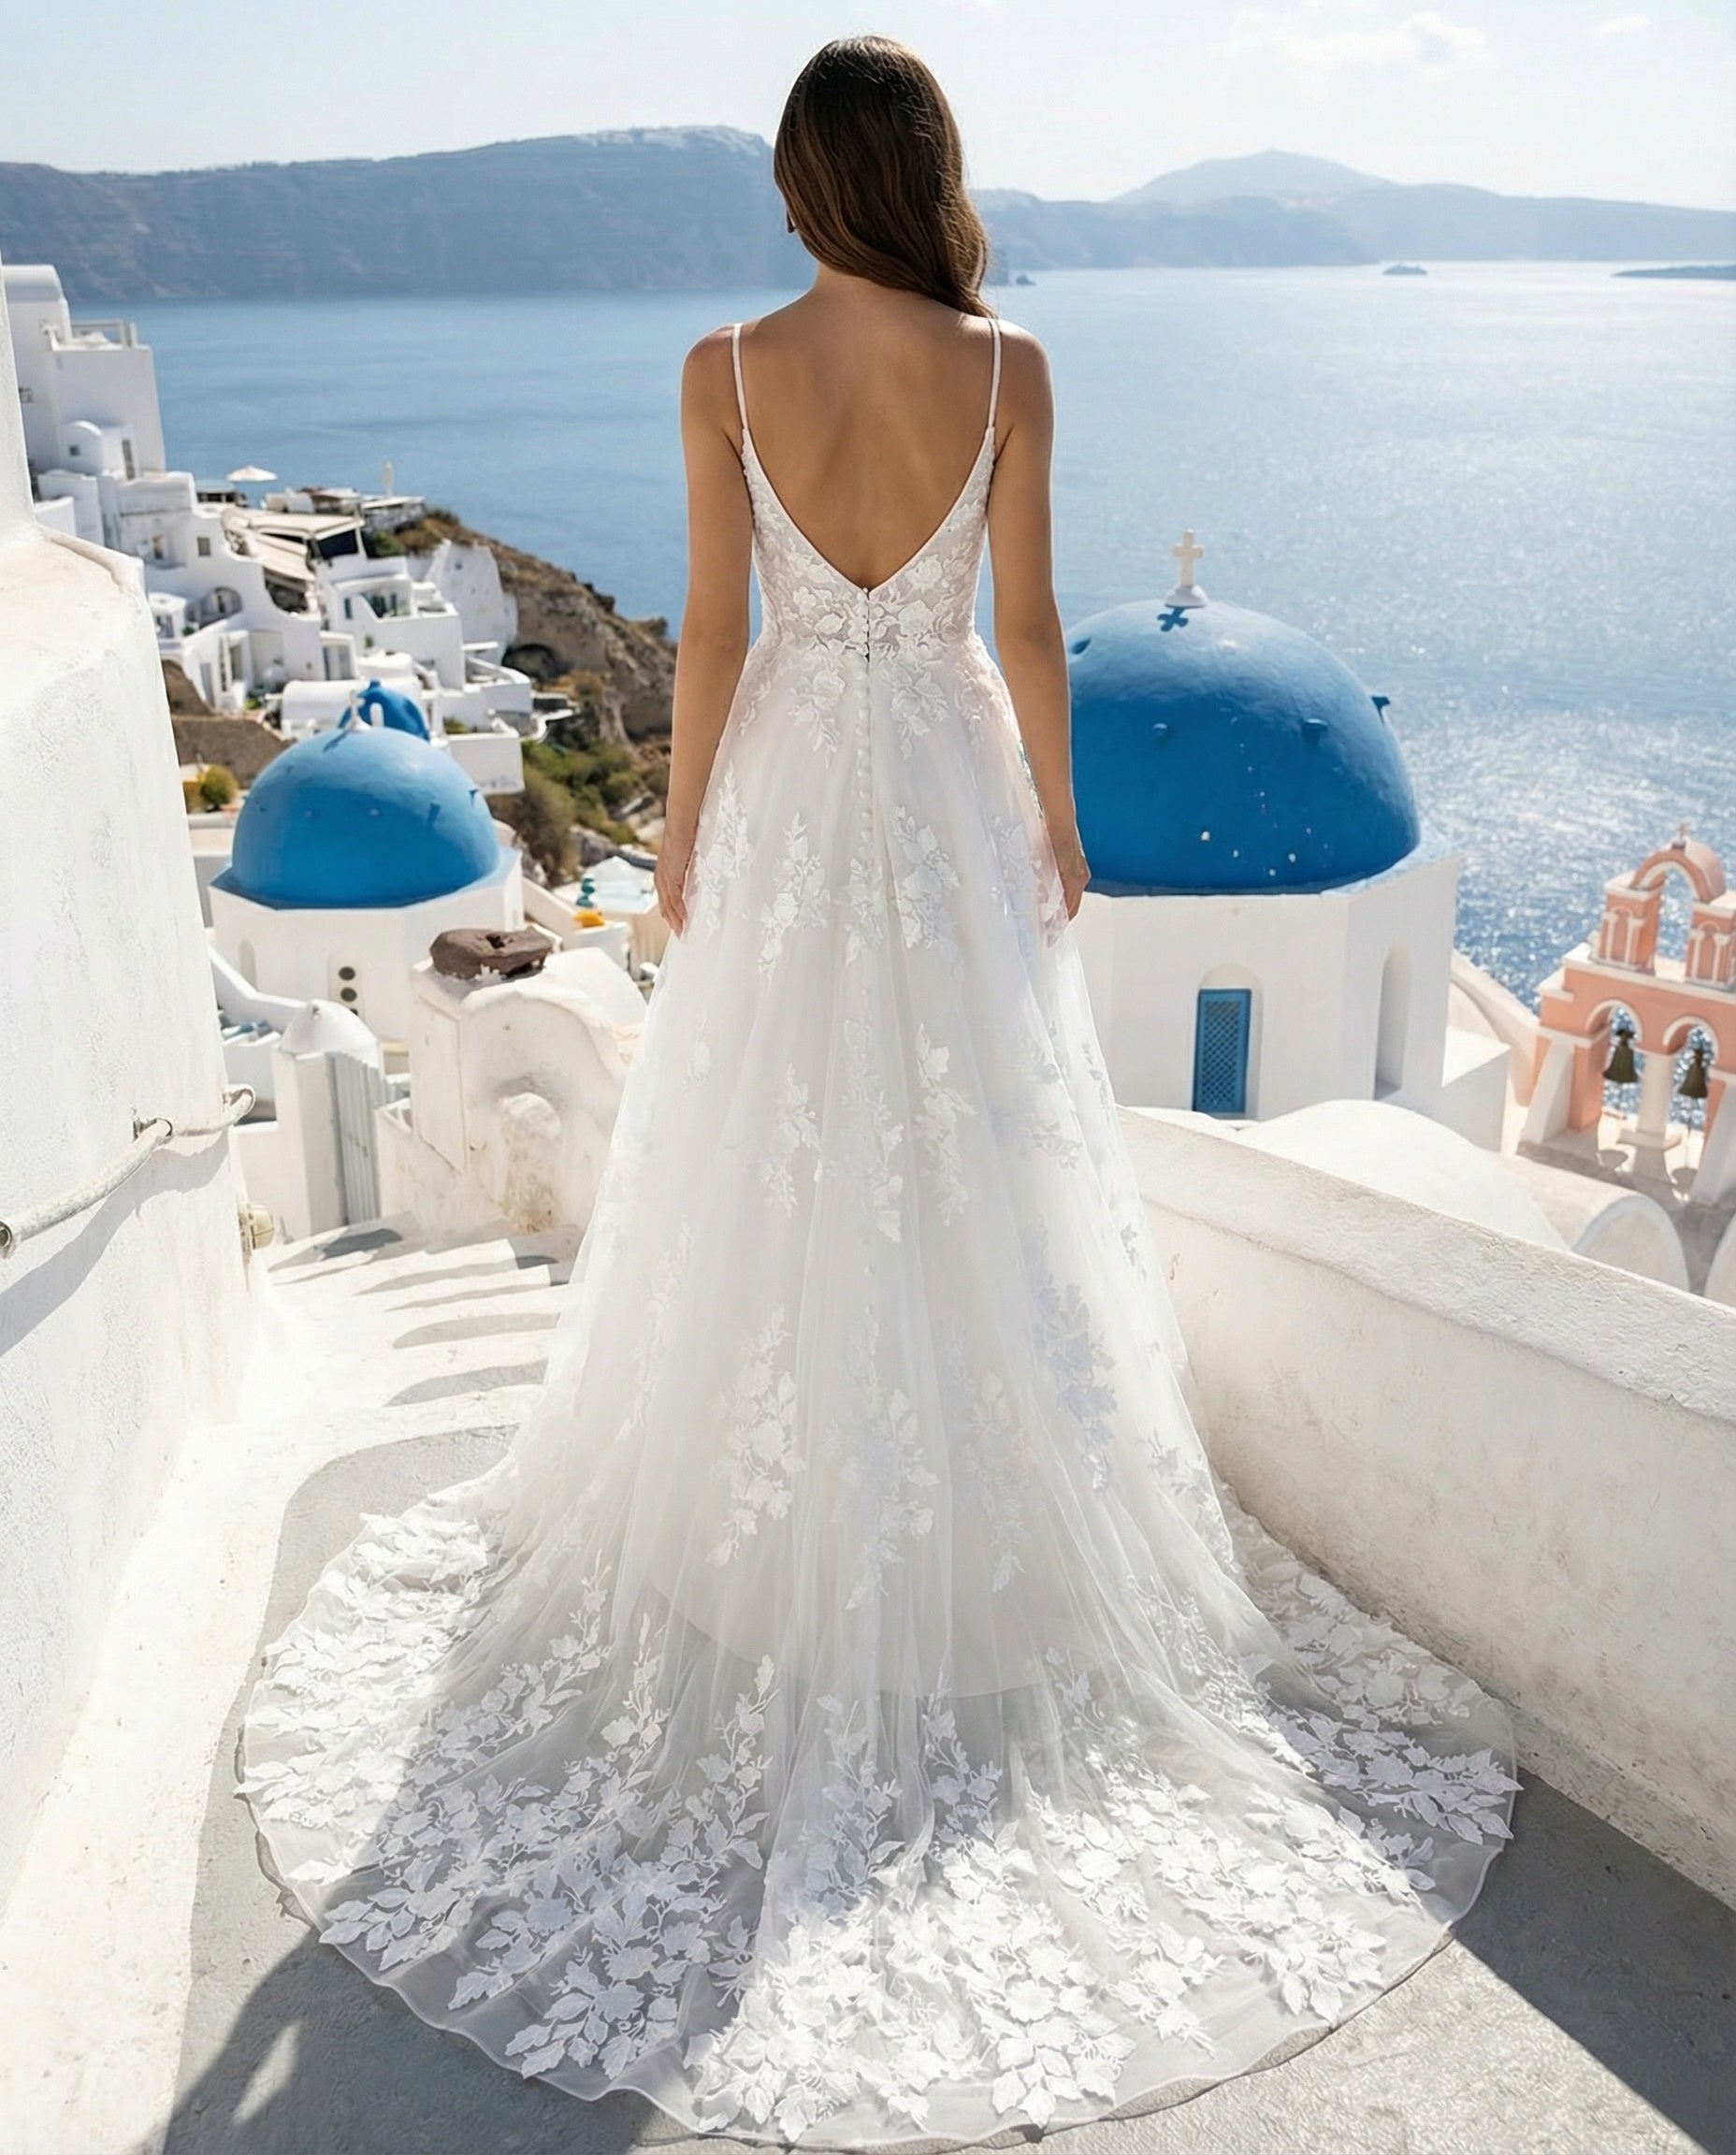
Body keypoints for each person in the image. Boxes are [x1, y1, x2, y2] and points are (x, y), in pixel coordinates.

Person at [240, 37, 1515, 2146]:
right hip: (934, 800)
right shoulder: (1006, 371)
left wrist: (676, 842)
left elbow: (718, 637)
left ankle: (748, 1563)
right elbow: (1021, 629)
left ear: (794, 177)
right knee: (970, 1166)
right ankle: (982, 1560)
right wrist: (1066, 827)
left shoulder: (721, 367)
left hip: (787, 815)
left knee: (765, 1167)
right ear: (924, 169)